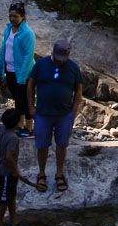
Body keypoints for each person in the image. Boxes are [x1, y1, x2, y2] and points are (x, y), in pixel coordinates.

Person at [28, 38, 86, 194]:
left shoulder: (73, 68)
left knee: (62, 145)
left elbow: (78, 90)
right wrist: (31, 106)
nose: (60, 62)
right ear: (52, 52)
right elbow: (31, 83)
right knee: (41, 145)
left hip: (64, 115)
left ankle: (59, 174)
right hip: (42, 113)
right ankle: (41, 173)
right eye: (58, 58)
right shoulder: (41, 64)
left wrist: (74, 110)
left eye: (63, 59)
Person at [0, 2, 36, 130]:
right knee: (18, 99)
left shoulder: (27, 33)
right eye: (10, 16)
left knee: (27, 100)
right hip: (10, 71)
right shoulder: (8, 29)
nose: (12, 19)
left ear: (22, 16)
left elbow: (28, 56)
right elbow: (3, 49)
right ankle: (20, 125)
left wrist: (22, 78)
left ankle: (29, 128)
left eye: (15, 16)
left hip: (24, 73)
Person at [0, 107, 36, 226]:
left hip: (5, 172)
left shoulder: (3, 130)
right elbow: (9, 156)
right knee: (4, 199)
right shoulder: (13, 138)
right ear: (18, 122)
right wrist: (16, 171)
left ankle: (13, 222)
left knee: (11, 197)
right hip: (6, 173)